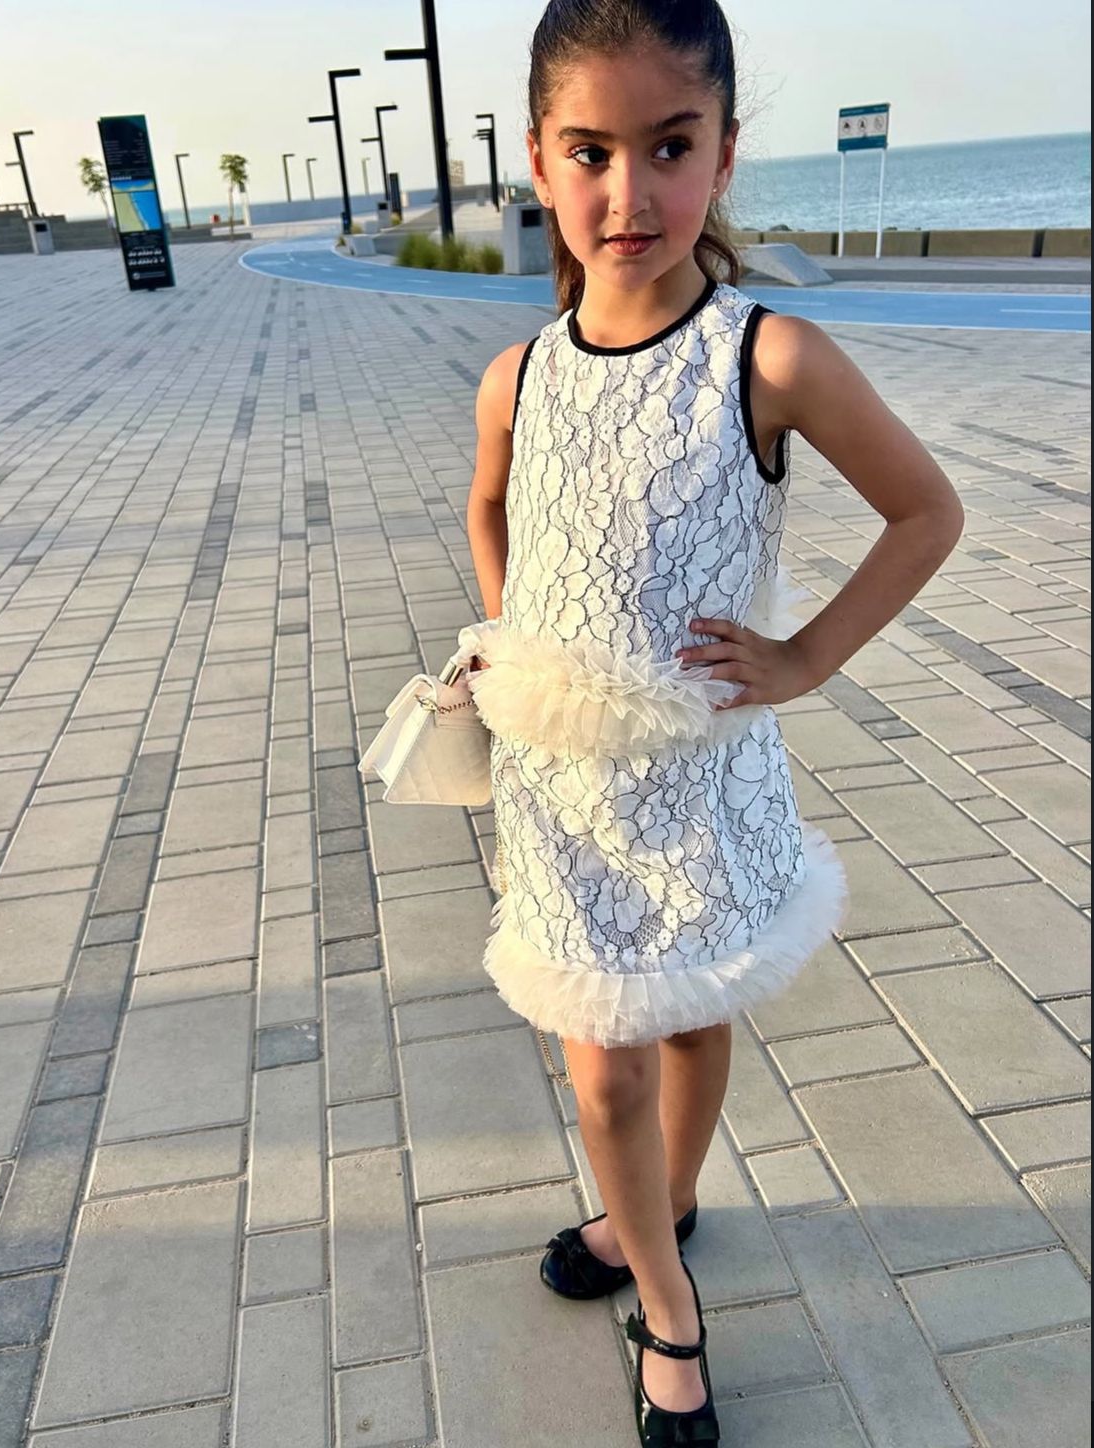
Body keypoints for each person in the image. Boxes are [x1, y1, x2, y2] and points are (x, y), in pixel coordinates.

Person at [457, 2, 964, 1442]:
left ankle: (664, 1204)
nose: (630, 192)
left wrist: (801, 659)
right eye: (590, 152)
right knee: (601, 1063)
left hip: (698, 781)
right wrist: (509, 639)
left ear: (724, 153)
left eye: (669, 147)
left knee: (688, 1022)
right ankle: (668, 1304)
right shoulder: (518, 377)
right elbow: (490, 504)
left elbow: (925, 512)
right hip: (562, 792)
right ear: (540, 161)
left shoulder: (766, 359)